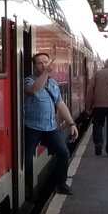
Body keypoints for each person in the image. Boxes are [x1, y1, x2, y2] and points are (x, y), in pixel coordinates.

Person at [24, 52, 79, 194]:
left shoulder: (53, 83)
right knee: (27, 160)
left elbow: (60, 104)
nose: (43, 65)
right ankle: (27, 187)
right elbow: (35, 90)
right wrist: (46, 72)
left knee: (63, 152)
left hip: (50, 128)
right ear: (34, 66)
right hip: (32, 128)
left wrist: (72, 124)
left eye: (45, 62)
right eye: (39, 63)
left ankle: (61, 183)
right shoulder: (29, 81)